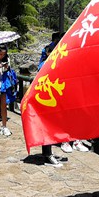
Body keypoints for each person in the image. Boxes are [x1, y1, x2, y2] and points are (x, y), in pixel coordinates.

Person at [37, 32, 65, 166]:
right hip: (46, 97)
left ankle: (48, 153)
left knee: (51, 126)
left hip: (53, 96)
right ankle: (48, 154)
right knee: (47, 126)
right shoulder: (45, 63)